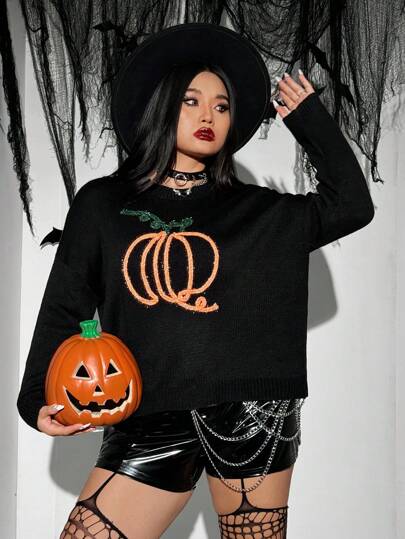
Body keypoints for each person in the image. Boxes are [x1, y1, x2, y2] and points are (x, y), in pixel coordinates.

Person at [16, 23, 375, 539]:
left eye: (222, 106)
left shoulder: (259, 212)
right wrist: (36, 399)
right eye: (191, 101)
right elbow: (64, 307)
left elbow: (352, 206)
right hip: (148, 413)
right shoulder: (103, 204)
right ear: (162, 106)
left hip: (250, 412)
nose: (209, 115)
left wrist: (309, 120)